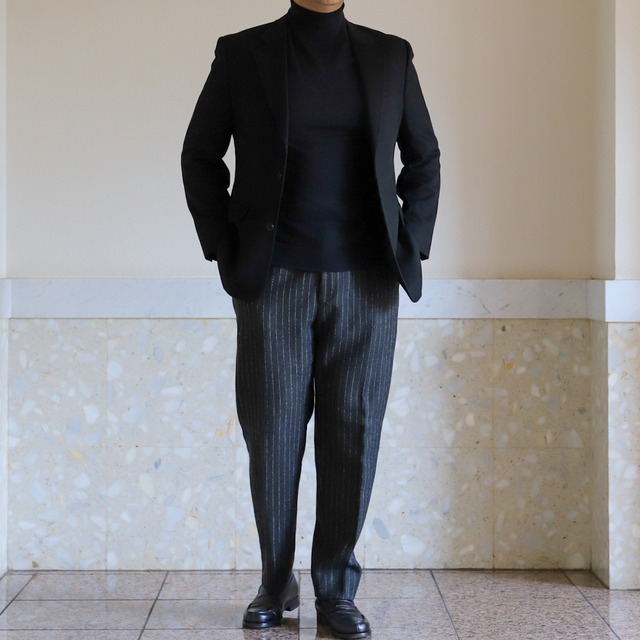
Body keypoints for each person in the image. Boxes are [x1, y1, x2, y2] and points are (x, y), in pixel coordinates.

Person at [181, 0, 440, 636]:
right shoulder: (243, 53)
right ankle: (275, 582)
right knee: (272, 438)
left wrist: (410, 243)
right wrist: (224, 245)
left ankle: (336, 589)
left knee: (353, 434)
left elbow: (424, 159)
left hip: (367, 281)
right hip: (274, 281)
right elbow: (199, 155)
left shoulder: (390, 55)